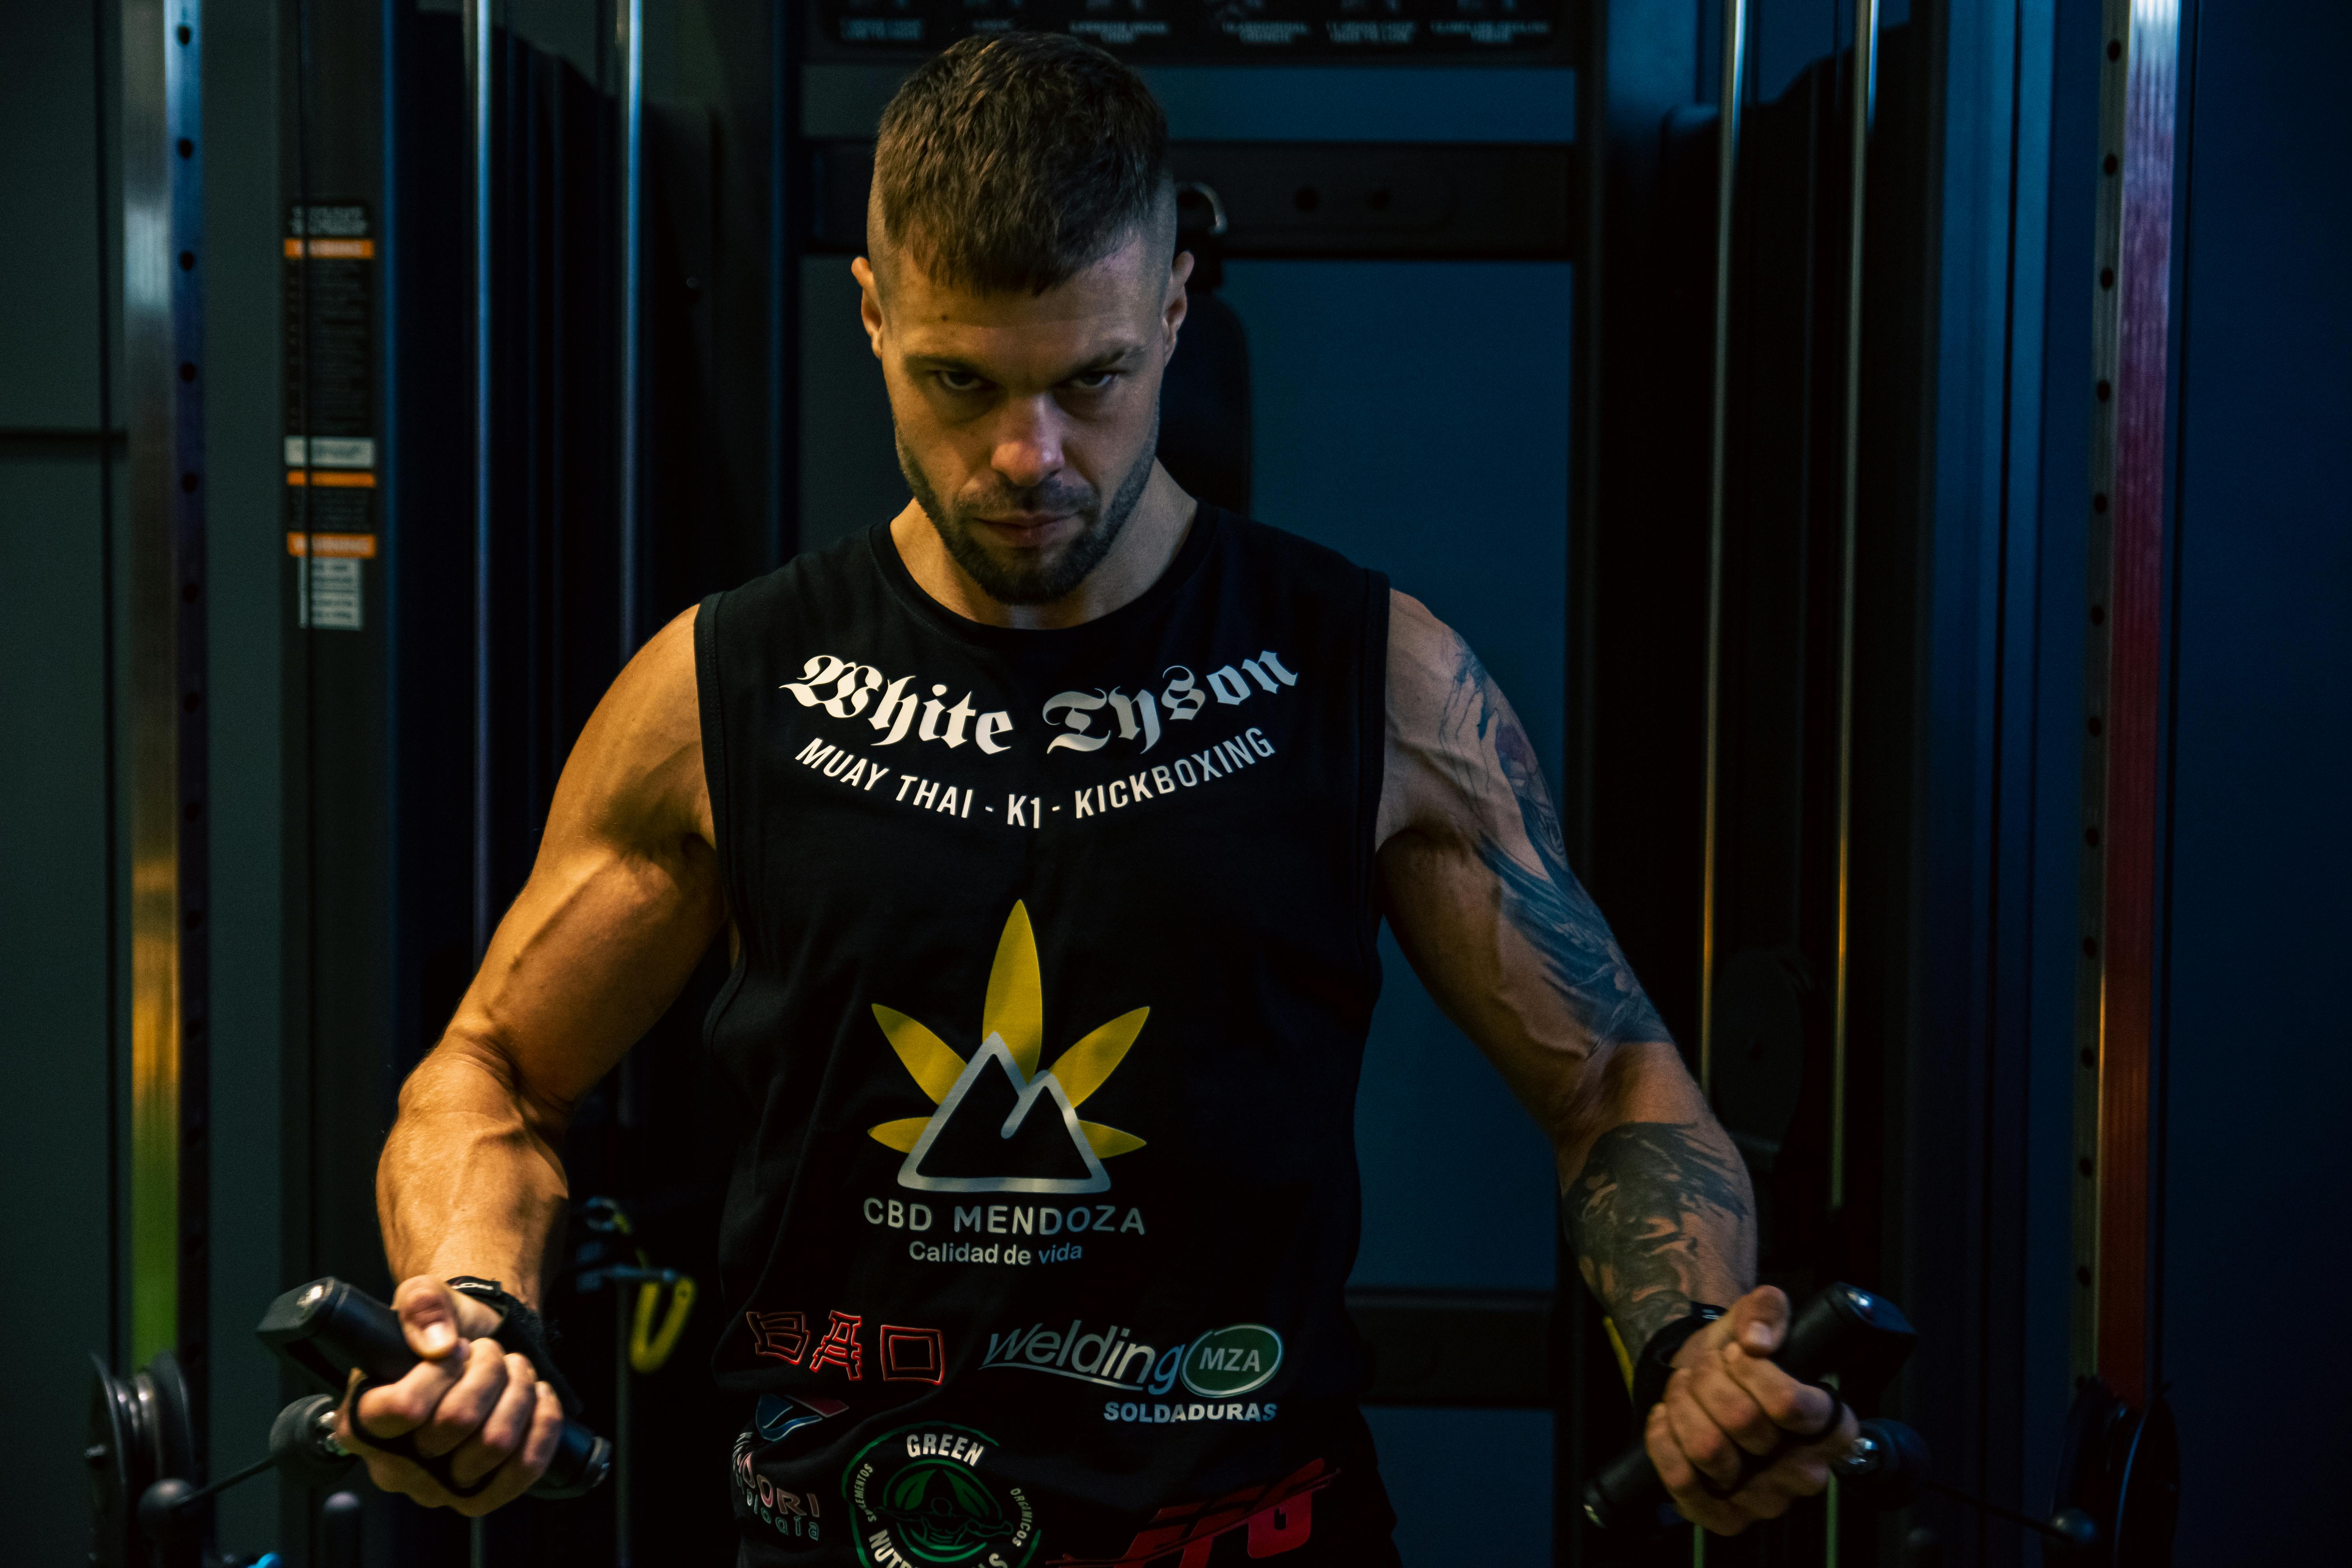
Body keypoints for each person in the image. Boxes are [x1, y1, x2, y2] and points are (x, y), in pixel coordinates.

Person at [339, 31, 1856, 1561]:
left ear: (1175, 308)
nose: (1027, 454)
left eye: (1092, 379)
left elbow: (1613, 1084)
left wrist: (1696, 1346)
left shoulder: (1373, 679)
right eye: (961, 382)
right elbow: (494, 1074)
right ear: (871, 318)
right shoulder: (721, 690)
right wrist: (471, 1320)